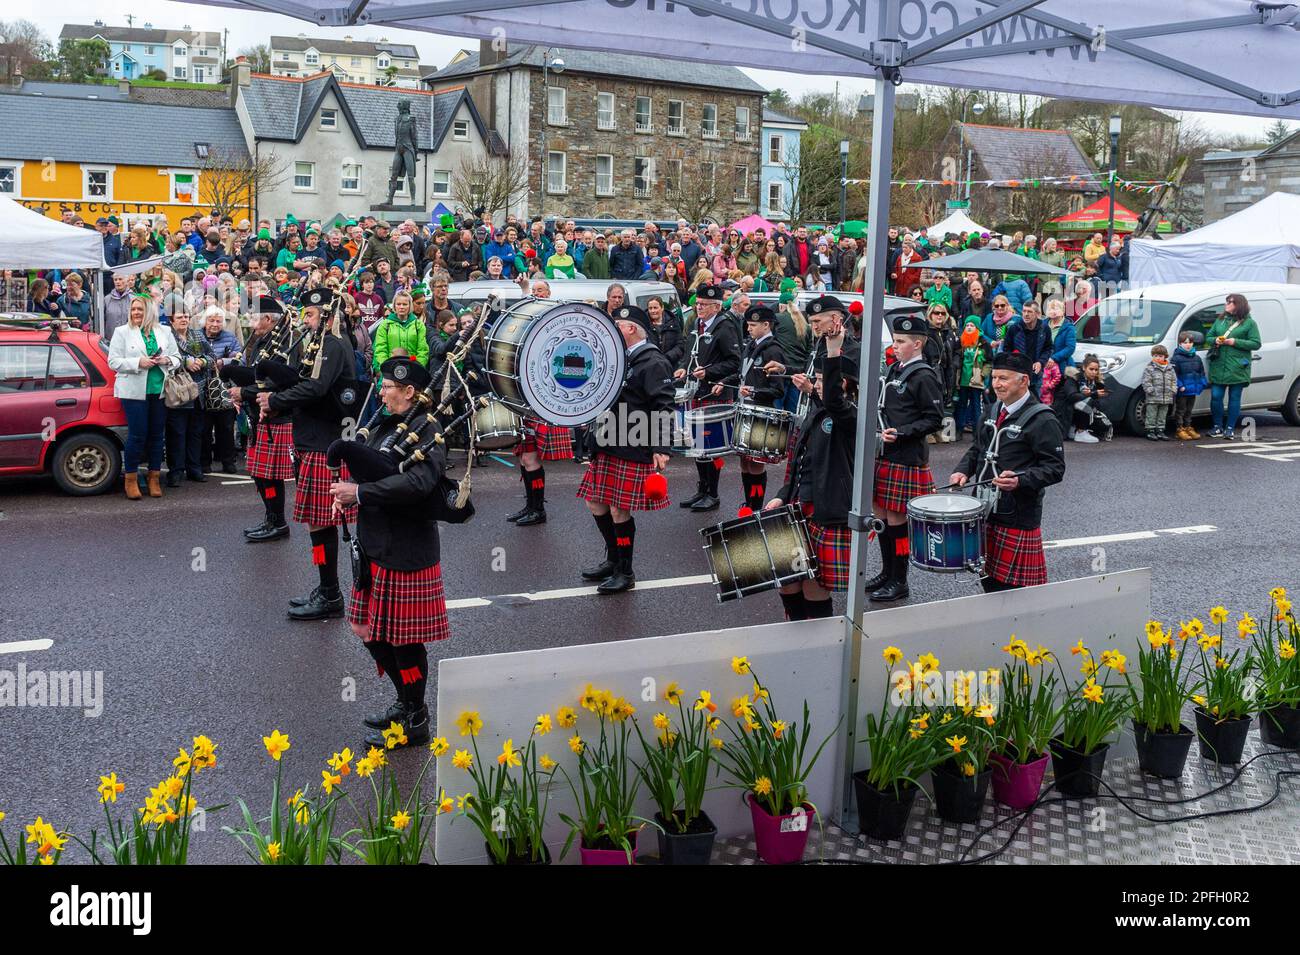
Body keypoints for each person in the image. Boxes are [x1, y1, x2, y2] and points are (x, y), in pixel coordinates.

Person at [329, 357, 448, 748]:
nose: (380, 391)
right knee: (366, 630)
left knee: (404, 641)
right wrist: (351, 494)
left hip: (406, 547)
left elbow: (417, 485)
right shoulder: (384, 422)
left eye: (388, 387)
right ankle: (406, 700)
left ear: (410, 391)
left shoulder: (429, 430)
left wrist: (359, 494)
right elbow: (373, 468)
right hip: (376, 542)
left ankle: (416, 718)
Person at [258, 288, 359, 621]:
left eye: (312, 315)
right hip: (313, 441)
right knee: (318, 526)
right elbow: (304, 381)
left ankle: (331, 593)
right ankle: (326, 587)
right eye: (304, 315)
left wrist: (274, 401)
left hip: (324, 443)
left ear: (327, 315)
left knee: (321, 523)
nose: (306, 320)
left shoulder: (333, 344)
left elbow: (315, 389)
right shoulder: (320, 345)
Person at [763, 315, 857, 620]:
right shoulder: (814, 414)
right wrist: (782, 493)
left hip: (826, 511)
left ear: (843, 384)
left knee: (814, 586)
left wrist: (833, 350)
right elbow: (797, 461)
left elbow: (832, 399)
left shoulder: (850, 417)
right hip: (797, 507)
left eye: (822, 379)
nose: (815, 383)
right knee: (787, 584)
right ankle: (796, 640)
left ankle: (819, 649)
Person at [577, 304, 675, 594]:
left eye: (618, 327)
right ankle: (613, 558)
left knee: (620, 510)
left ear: (630, 328)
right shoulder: (620, 358)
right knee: (595, 502)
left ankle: (625, 571)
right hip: (608, 440)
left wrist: (662, 446)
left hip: (633, 442)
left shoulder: (653, 361)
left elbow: (664, 405)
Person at [950, 351, 1066, 593]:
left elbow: (1055, 468)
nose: (996, 384)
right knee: (987, 580)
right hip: (986, 509)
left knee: (1014, 591)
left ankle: (1018, 631)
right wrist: (963, 471)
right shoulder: (992, 410)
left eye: (1003, 378)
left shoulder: (1043, 419)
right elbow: (978, 449)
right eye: (994, 378)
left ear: (1023, 380)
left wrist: (1020, 480)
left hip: (1017, 515)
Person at [868, 314, 946, 602]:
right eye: (895, 341)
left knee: (898, 521)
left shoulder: (924, 375)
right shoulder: (894, 370)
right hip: (886, 453)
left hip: (907, 456)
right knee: (883, 518)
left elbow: (935, 419)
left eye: (900, 342)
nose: (895, 346)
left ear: (916, 344)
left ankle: (899, 580)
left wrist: (900, 432)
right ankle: (887, 573)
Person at [232, 298, 297, 541]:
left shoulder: (286, 342)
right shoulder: (261, 341)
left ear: (268, 319)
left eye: (254, 316)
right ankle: (271, 517)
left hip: (277, 416)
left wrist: (244, 393)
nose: (250, 322)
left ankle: (278, 522)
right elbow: (254, 376)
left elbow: (278, 382)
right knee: (260, 475)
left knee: (269, 475)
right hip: (258, 414)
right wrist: (240, 392)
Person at [673, 284, 740, 511]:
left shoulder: (725, 327)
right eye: (697, 303)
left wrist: (709, 372)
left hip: (715, 392)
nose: (698, 307)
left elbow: (734, 362)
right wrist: (684, 368)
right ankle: (702, 490)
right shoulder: (696, 324)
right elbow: (688, 354)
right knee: (698, 446)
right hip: (697, 391)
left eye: (703, 304)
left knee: (712, 447)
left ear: (716, 306)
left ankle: (713, 493)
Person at [107, 295, 181, 499]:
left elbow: (177, 358)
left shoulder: (164, 331)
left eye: (140, 309)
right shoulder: (122, 332)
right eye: (134, 309)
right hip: (133, 391)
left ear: (150, 311)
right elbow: (113, 362)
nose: (136, 313)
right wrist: (138, 362)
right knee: (137, 435)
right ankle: (130, 479)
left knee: (157, 436)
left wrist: (167, 359)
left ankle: (154, 478)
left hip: (159, 391)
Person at [713, 305, 785, 510]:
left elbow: (778, 390)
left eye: (753, 325)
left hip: (761, 413)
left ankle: (756, 506)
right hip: (745, 410)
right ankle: (749, 501)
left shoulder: (773, 350)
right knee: (744, 462)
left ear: (766, 325)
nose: (748, 328)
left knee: (756, 464)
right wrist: (724, 381)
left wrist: (753, 392)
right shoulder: (751, 345)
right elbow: (741, 373)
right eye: (748, 324)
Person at [164, 307, 211, 488]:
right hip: (178, 391)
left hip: (198, 391)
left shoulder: (197, 335)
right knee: (176, 433)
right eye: (180, 317)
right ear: (171, 320)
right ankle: (175, 471)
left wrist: (203, 361)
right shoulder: (168, 337)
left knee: (195, 433)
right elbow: (165, 358)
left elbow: (212, 356)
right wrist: (185, 362)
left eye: (186, 316)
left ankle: (194, 468)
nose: (184, 319)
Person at [1206, 292, 1261, 440]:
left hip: (1237, 367)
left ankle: (1229, 428)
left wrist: (1235, 342)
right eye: (1227, 301)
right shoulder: (1220, 320)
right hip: (1218, 365)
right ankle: (1217, 426)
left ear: (1238, 305)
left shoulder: (1250, 323)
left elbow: (1256, 343)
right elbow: (1208, 337)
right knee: (1216, 397)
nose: (1227, 304)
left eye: (1230, 302)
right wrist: (1216, 340)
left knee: (1234, 398)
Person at [199, 306, 242, 474]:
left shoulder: (229, 338)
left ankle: (228, 461)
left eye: (218, 321)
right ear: (205, 322)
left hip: (224, 389)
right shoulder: (197, 336)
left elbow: (240, 358)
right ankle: (204, 462)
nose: (215, 324)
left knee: (226, 428)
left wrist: (223, 361)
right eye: (211, 320)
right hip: (203, 389)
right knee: (204, 429)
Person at [1052, 354, 1112, 443]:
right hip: (1063, 411)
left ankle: (1074, 428)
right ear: (1084, 368)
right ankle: (1081, 431)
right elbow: (1072, 397)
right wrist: (1092, 394)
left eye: (1096, 370)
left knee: (1094, 403)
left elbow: (1101, 403)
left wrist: (1098, 396)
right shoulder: (1074, 378)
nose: (1094, 372)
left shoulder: (1096, 382)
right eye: (1091, 369)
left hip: (1072, 412)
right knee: (1084, 402)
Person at [1002, 301, 1054, 396]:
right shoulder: (1014, 328)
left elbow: (1048, 348)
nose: (1026, 314)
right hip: (1017, 373)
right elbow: (1006, 349)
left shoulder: (1044, 328)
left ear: (1037, 314)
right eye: (1024, 311)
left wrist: (1041, 362)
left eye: (1029, 311)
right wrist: (1014, 359)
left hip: (1036, 375)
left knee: (1034, 404)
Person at [372, 291, 430, 371]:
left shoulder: (418, 325)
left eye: (405, 304)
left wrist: (417, 367)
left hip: (412, 370)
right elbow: (380, 349)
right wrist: (387, 368)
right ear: (394, 306)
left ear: (410, 306)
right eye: (398, 304)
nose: (401, 307)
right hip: (390, 370)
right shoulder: (385, 325)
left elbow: (422, 350)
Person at [955, 319, 992, 437]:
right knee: (961, 405)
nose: (969, 327)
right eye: (967, 325)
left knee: (977, 406)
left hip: (976, 380)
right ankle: (959, 429)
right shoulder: (960, 342)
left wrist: (983, 374)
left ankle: (978, 432)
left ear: (977, 328)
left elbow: (989, 361)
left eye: (972, 325)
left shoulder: (983, 343)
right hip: (963, 380)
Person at [1171, 331, 1208, 440]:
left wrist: (1202, 383)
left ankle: (1188, 427)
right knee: (1180, 409)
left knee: (1189, 410)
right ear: (1180, 344)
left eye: (1190, 342)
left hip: (1193, 389)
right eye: (1185, 342)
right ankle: (1179, 428)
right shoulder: (1176, 358)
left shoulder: (1196, 358)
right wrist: (1180, 385)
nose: (1188, 345)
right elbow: (1174, 374)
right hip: (1183, 390)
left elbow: (1201, 372)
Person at [1140, 345, 1177, 441]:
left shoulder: (1170, 368)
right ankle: (1150, 431)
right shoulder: (1150, 368)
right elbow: (1146, 381)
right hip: (1153, 397)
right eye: (1156, 356)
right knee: (1151, 414)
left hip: (1166, 397)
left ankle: (1160, 430)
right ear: (1152, 356)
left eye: (1160, 356)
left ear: (1165, 357)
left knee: (1162, 415)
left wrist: (1173, 389)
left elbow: (1174, 380)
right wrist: (1150, 390)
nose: (1158, 358)